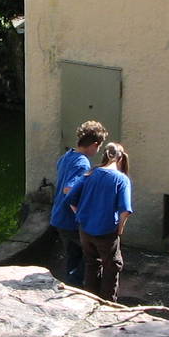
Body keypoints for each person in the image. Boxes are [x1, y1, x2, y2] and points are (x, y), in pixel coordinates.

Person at [68, 141, 131, 302]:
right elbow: (125, 210)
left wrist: (81, 216)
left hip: (85, 230)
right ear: (120, 158)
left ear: (104, 155)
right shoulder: (121, 179)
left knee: (91, 264)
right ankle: (107, 306)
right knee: (111, 267)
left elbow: (70, 198)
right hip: (106, 231)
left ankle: (90, 301)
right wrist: (119, 229)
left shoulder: (90, 173)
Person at [49, 120, 107, 286]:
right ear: (94, 145)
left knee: (73, 254)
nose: (98, 150)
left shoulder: (67, 156)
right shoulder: (83, 163)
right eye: (99, 146)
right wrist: (82, 213)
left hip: (58, 217)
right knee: (95, 252)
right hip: (70, 220)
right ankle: (77, 282)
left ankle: (70, 284)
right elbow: (69, 189)